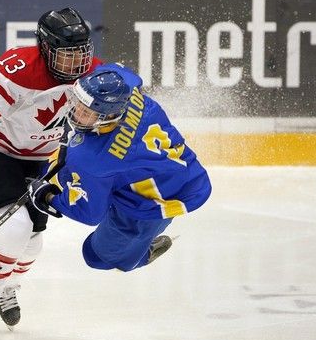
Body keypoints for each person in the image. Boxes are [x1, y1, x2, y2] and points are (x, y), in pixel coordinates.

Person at [0, 7, 101, 340]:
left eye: (82, 53)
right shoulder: (18, 68)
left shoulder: (94, 75)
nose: (77, 64)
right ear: (46, 49)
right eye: (67, 55)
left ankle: (7, 286)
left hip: (43, 161)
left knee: (33, 241)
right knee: (13, 229)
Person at [28, 63, 212, 273]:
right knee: (79, 171)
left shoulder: (94, 160)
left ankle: (142, 252)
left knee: (96, 256)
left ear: (108, 117)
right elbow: (110, 71)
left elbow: (90, 215)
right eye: (78, 103)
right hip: (175, 169)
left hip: (154, 201)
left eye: (86, 112)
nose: (76, 111)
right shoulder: (126, 89)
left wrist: (48, 198)